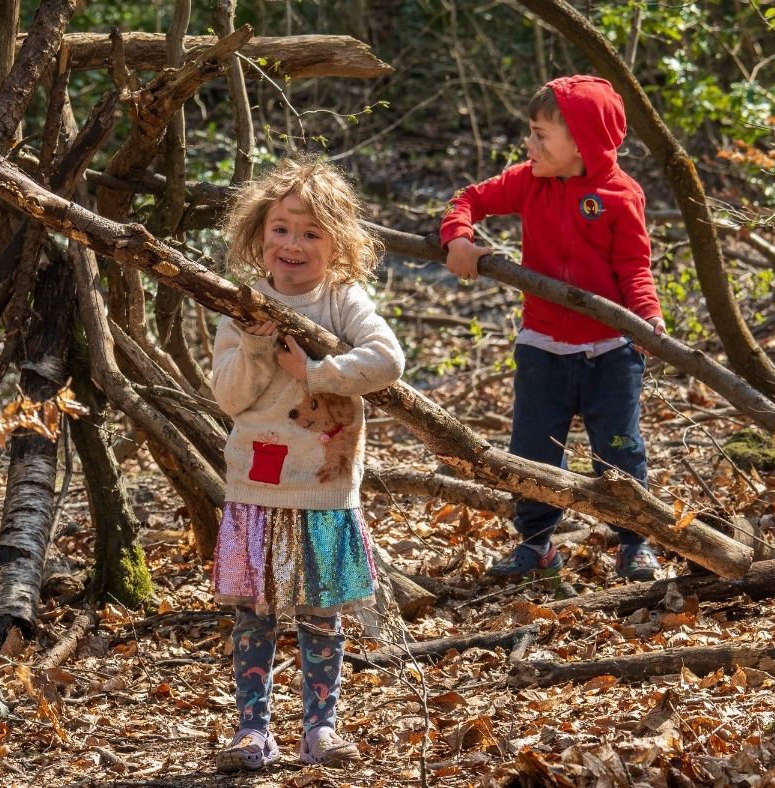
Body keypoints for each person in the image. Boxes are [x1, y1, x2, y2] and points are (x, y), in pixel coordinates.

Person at [209, 156, 405, 772]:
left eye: (311, 232)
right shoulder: (238, 306)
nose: (293, 244)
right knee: (255, 612)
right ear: (258, 235)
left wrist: (317, 372)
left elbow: (386, 361)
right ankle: (251, 729)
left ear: (337, 242)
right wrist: (259, 348)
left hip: (322, 486)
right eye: (281, 229)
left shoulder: (343, 299)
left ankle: (321, 727)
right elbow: (230, 396)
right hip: (256, 483)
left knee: (321, 612)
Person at [440, 75, 665, 584]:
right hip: (543, 346)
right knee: (534, 449)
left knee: (620, 448)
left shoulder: (620, 195)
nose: (530, 144)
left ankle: (633, 542)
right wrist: (458, 238)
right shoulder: (528, 180)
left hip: (611, 349)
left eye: (542, 134)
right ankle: (537, 543)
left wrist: (647, 319)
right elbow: (469, 198)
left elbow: (634, 267)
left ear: (582, 141)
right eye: (530, 132)